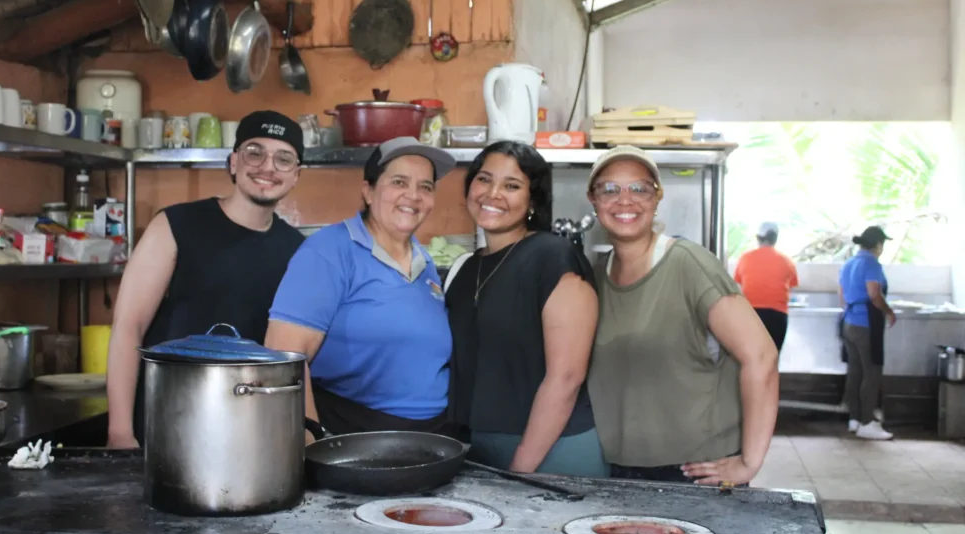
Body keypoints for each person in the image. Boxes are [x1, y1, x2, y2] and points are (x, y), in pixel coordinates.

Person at [105, 111, 307, 449]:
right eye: (255, 152)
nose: (268, 167)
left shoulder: (298, 249)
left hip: (253, 425)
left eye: (283, 159)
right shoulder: (175, 224)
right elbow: (129, 326)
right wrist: (120, 431)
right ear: (233, 162)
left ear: (296, 175)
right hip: (170, 416)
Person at [585, 145, 779, 486]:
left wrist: (749, 462)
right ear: (593, 199)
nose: (624, 200)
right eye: (610, 189)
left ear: (657, 197)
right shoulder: (597, 275)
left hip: (693, 471)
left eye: (639, 188)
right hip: (618, 469)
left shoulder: (689, 264)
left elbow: (761, 356)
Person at [265, 137, 457, 437]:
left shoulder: (424, 261)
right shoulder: (329, 251)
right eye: (399, 182)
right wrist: (310, 439)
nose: (413, 195)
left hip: (429, 438)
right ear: (368, 191)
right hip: (354, 436)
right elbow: (283, 358)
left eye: (426, 187)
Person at [445, 141, 606, 477]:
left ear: (533, 200)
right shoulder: (464, 269)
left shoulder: (552, 256)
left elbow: (566, 377)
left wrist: (520, 468)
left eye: (512, 185)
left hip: (550, 451)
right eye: (484, 180)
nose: (493, 194)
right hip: (478, 449)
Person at [838, 225, 896, 441]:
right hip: (866, 324)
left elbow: (841, 295)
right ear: (878, 244)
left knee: (855, 371)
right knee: (871, 372)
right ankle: (867, 422)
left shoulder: (849, 263)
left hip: (849, 322)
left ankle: (854, 419)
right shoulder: (871, 263)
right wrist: (889, 312)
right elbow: (874, 293)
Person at [733, 221, 800, 353]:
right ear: (775, 239)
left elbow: (739, 284)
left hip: (750, 314)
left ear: (758, 238)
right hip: (777, 315)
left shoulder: (745, 258)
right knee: (772, 358)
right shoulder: (787, 261)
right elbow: (791, 287)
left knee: (750, 357)